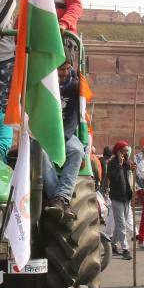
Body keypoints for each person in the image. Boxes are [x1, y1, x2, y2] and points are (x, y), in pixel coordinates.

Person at [42, 59, 85, 224]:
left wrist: (61, 139)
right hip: (41, 134)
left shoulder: (74, 87)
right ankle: (58, 199)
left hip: (64, 134)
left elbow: (73, 119)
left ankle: (61, 197)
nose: (65, 73)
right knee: (41, 154)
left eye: (67, 69)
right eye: (61, 69)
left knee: (77, 150)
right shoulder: (42, 85)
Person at [102, 141, 133, 260]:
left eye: (127, 151)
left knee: (122, 222)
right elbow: (113, 177)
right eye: (124, 151)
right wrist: (120, 165)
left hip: (126, 196)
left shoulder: (127, 163)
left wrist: (131, 168)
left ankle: (112, 243)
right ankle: (125, 248)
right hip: (116, 197)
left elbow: (129, 177)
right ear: (118, 151)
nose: (126, 153)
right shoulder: (112, 163)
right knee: (121, 223)